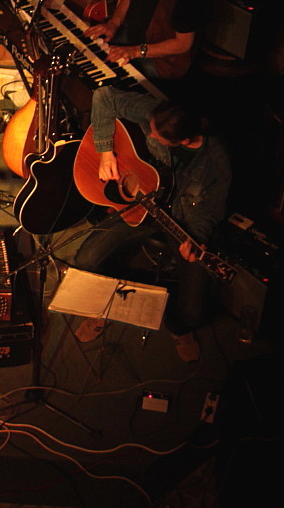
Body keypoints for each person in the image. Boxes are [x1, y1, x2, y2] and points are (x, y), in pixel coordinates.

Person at [71, 88, 231, 361]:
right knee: (84, 261)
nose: (152, 134)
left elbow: (210, 211)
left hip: (179, 223)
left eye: (159, 136)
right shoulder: (165, 114)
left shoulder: (217, 162)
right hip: (141, 205)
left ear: (185, 139)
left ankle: (177, 327)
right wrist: (106, 152)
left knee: (192, 314)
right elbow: (104, 97)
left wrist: (198, 238)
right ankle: (112, 303)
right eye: (153, 130)